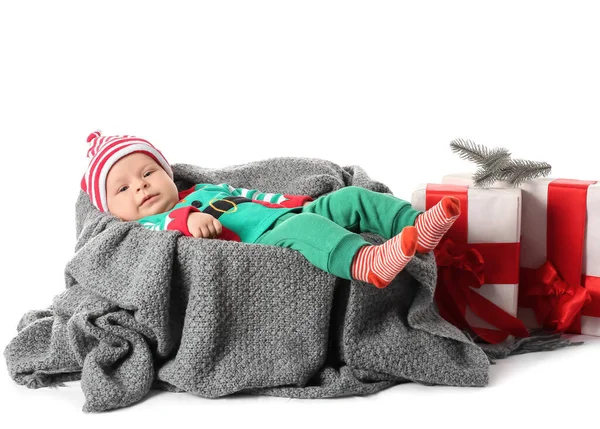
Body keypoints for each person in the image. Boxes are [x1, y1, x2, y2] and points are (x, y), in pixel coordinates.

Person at [81, 131, 460, 289]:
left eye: (148, 172)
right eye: (124, 188)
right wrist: (190, 220)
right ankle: (366, 263)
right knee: (311, 230)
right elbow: (168, 244)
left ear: (167, 173)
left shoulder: (202, 188)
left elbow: (253, 195)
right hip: (265, 238)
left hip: (281, 214)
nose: (141, 186)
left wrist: (299, 202)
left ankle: (415, 225)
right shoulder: (146, 228)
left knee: (351, 198)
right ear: (111, 209)